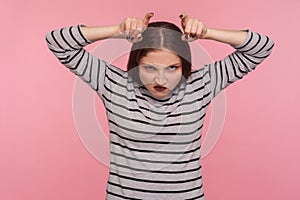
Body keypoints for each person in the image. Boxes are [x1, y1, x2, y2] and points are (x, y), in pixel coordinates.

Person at [45, 12, 274, 200]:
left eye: (172, 68)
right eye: (150, 68)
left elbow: (261, 47)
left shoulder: (200, 84)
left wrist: (207, 33)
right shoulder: (114, 84)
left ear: (184, 66)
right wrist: (117, 30)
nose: (161, 80)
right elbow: (57, 42)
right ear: (136, 63)